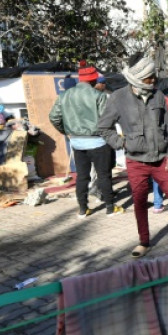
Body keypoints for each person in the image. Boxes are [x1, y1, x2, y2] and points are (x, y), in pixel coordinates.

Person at [98, 52, 168, 257]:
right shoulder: (118, 98)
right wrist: (121, 142)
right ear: (135, 78)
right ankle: (144, 241)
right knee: (140, 201)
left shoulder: (159, 95)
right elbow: (104, 128)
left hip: (161, 159)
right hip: (135, 161)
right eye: (147, 78)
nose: (152, 81)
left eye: (153, 77)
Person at [49, 61, 118, 218]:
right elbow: (106, 121)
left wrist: (66, 131)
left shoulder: (64, 96)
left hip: (77, 143)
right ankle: (110, 207)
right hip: (98, 142)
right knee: (104, 175)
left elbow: (54, 117)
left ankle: (83, 209)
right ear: (93, 80)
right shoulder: (99, 96)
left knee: (82, 176)